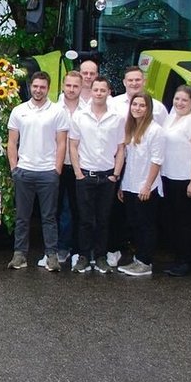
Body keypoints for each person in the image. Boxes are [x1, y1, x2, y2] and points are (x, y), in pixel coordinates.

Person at [6, 71, 71, 271]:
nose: (38, 90)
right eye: (35, 86)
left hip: (47, 173)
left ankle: (51, 256)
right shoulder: (19, 110)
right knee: (22, 217)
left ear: (48, 89)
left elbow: (62, 143)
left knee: (49, 217)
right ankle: (19, 255)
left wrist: (56, 170)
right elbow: (12, 142)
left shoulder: (58, 112)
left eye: (42, 87)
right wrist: (14, 168)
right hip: (24, 171)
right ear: (30, 87)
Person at [69, 77, 124, 273]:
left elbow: (120, 148)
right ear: (90, 91)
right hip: (85, 175)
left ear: (109, 92)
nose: (99, 93)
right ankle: (84, 256)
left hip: (107, 177)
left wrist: (115, 175)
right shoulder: (79, 116)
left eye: (103, 90)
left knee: (103, 219)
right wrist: (77, 173)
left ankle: (100, 257)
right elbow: (73, 146)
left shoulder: (117, 118)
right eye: (96, 90)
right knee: (85, 219)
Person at [160, 85, 191, 276]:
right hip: (170, 176)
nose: (180, 103)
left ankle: (186, 261)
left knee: (186, 222)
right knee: (174, 220)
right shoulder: (172, 117)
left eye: (184, 100)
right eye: (177, 99)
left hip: (187, 179)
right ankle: (178, 258)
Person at [115, 92, 165, 277]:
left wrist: (147, 185)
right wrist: (122, 185)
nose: (137, 108)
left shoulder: (155, 130)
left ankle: (145, 262)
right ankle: (138, 259)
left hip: (146, 187)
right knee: (135, 224)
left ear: (148, 108)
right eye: (134, 105)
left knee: (146, 225)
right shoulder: (131, 128)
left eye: (142, 105)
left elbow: (157, 160)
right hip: (130, 184)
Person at [53, 70, 84, 269]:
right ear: (63, 86)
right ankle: (61, 248)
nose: (71, 89)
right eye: (69, 85)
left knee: (78, 210)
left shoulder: (88, 110)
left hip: (79, 167)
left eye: (76, 86)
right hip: (57, 166)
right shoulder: (54, 109)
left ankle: (78, 250)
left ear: (81, 88)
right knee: (58, 210)